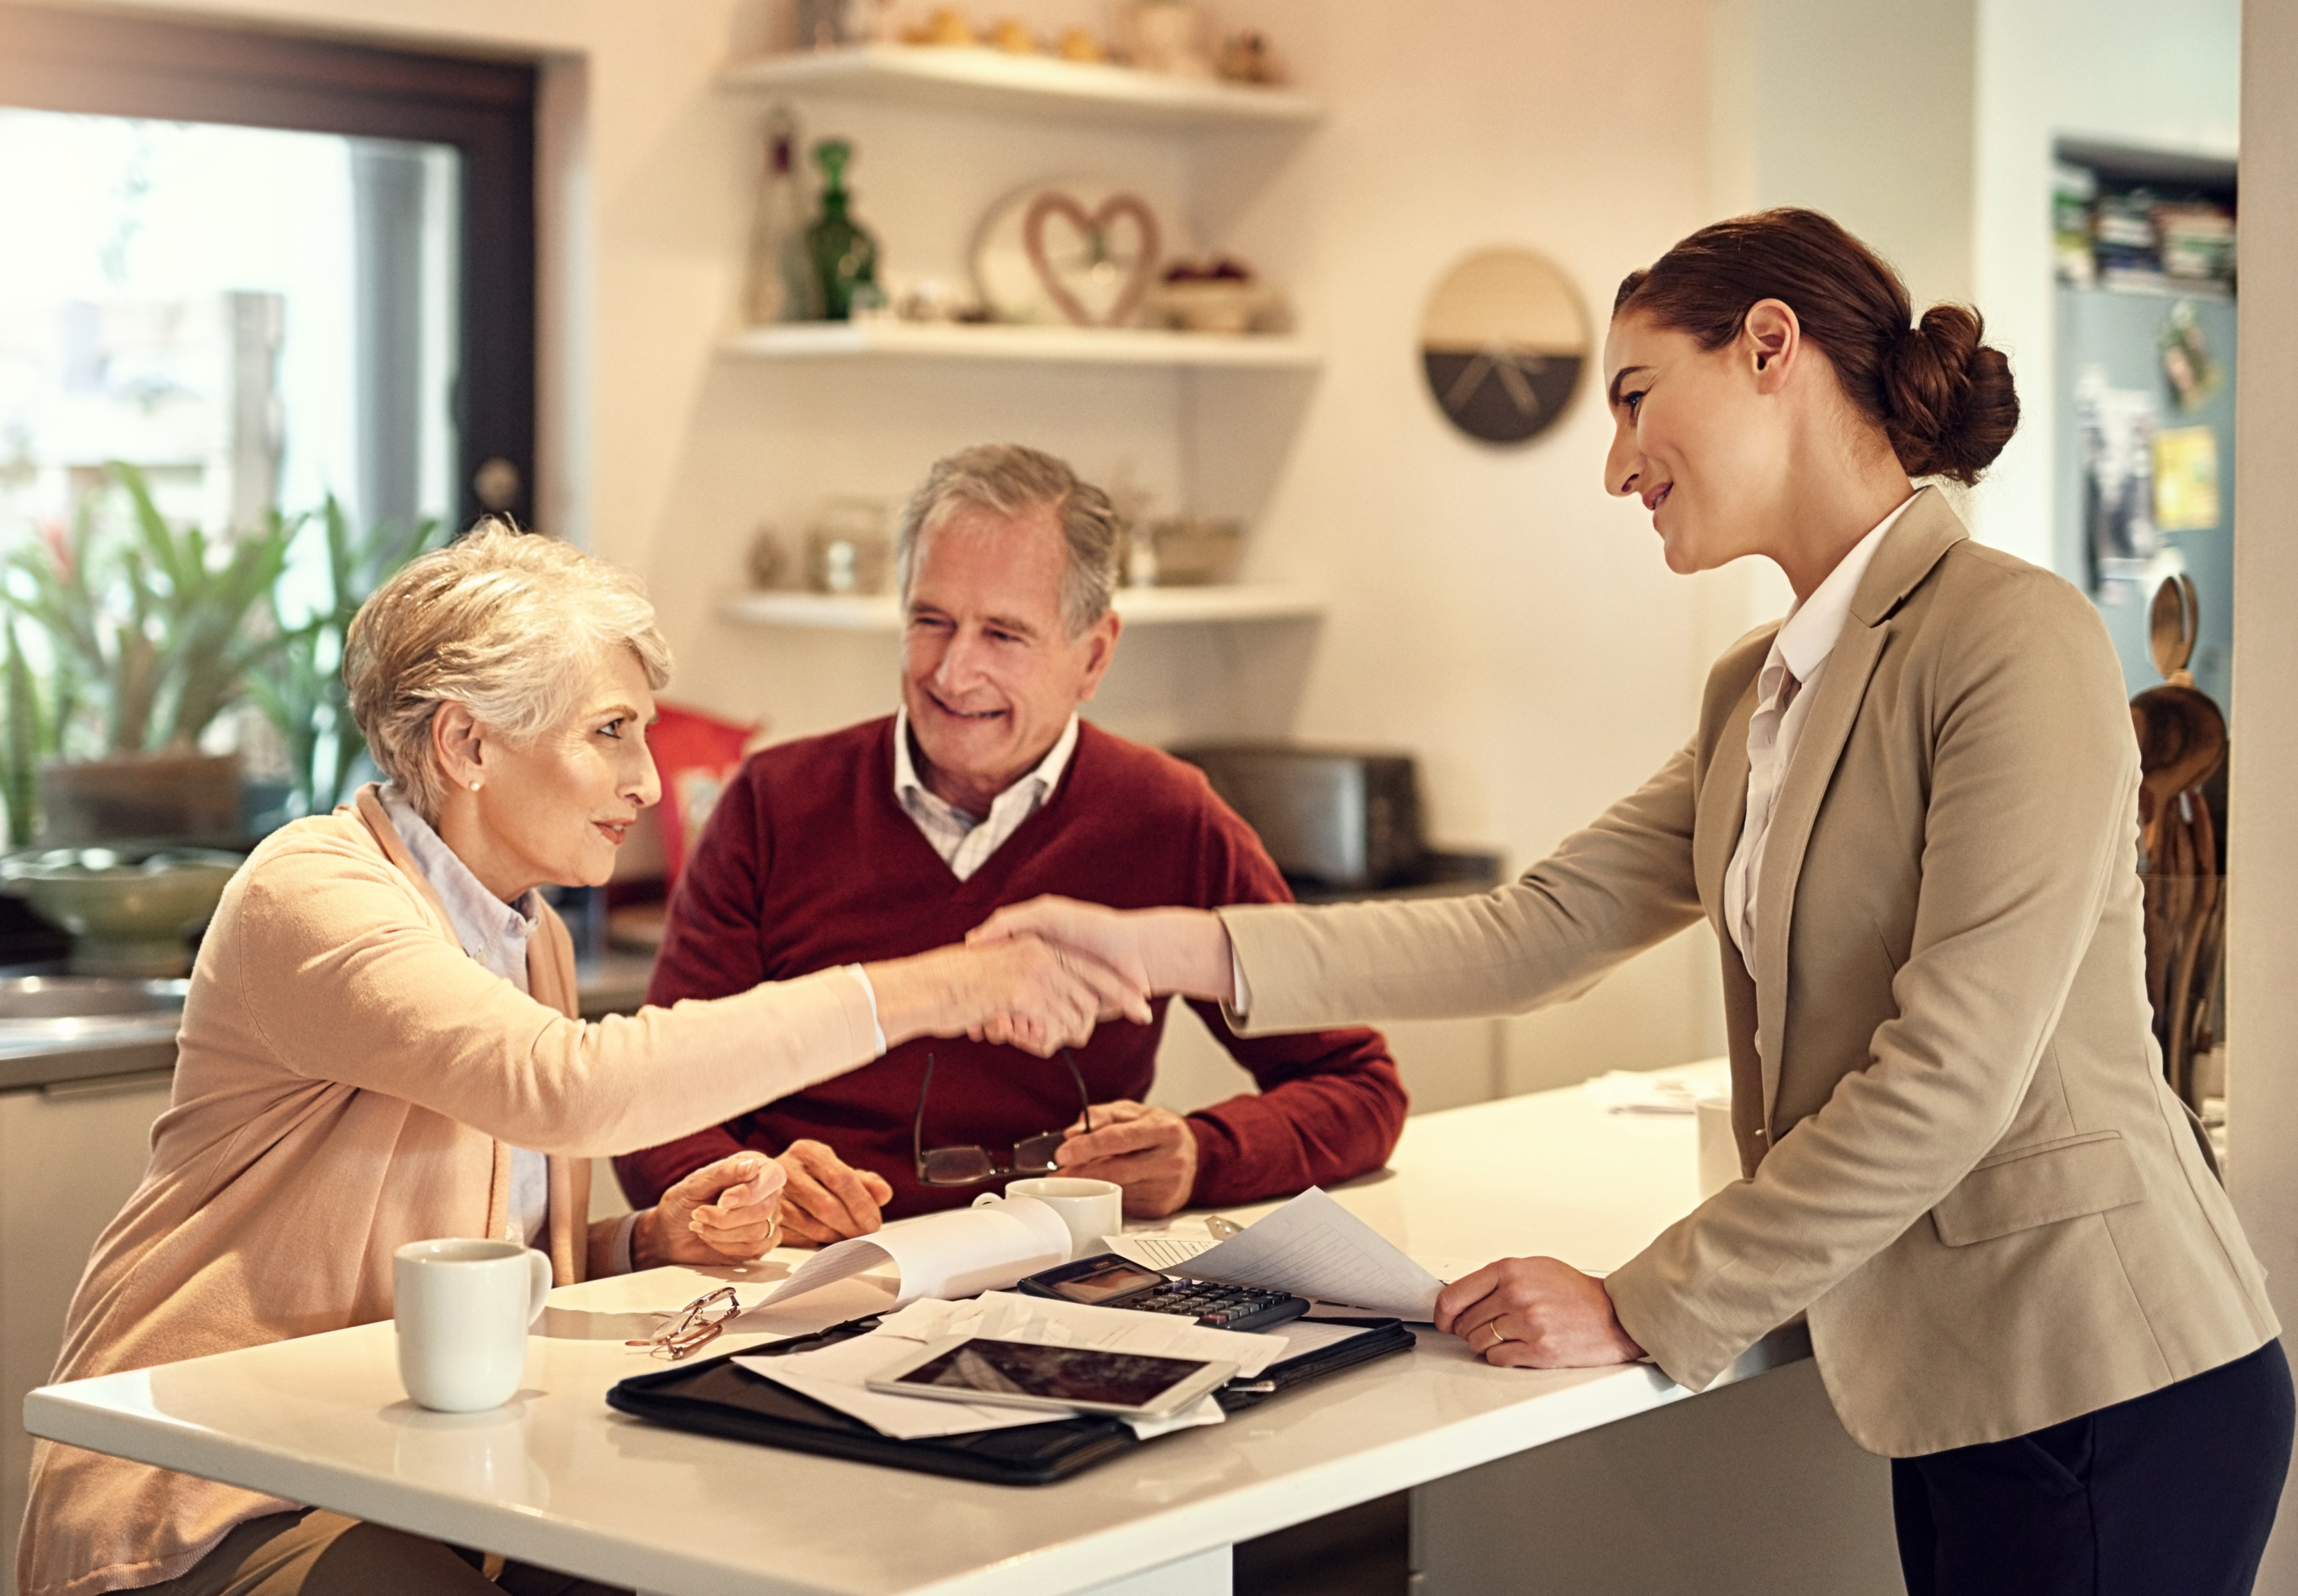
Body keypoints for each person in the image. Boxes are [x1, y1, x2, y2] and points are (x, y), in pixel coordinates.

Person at [979, 211, 2292, 1596]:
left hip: (2103, 1376)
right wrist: (1163, 946)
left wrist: (1643, 1301)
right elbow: (1535, 923)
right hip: (1968, 1390)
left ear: (1769, 345)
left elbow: (1949, 1073)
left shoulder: (2013, 637)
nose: (1615, 467)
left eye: (1632, 397)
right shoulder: (1763, 687)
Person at [18, 522, 1137, 1596]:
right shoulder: (313, 893)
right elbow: (570, 1087)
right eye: (610, 732)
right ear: (466, 744)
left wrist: (646, 1239)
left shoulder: (526, 931)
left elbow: (462, 1260)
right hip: (223, 1495)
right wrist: (936, 986)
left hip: (424, 1477)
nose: (649, 782)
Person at [615, 446, 1405, 1242]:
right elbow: (649, 1098)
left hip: (1057, 1273)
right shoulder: (774, 800)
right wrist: (744, 1188)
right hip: (808, 1277)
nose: (955, 673)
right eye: (931, 621)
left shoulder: (1169, 818)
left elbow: (1358, 1087)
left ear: (1092, 655)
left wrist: (1202, 1154)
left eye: (1003, 634)